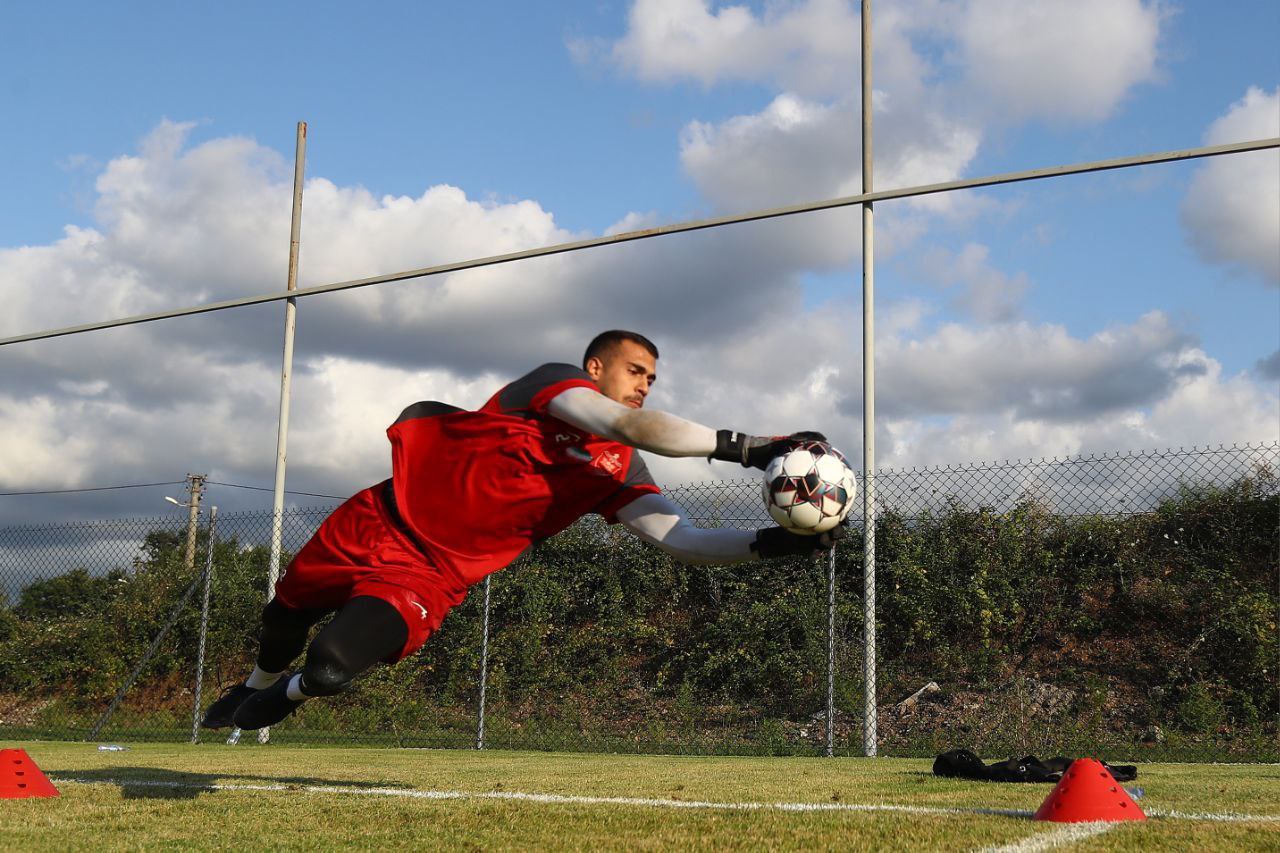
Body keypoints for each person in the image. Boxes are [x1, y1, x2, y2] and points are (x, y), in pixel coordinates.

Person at [204, 330, 842, 731]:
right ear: (594, 369)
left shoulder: (619, 470)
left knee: (330, 668)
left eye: (652, 377)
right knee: (284, 613)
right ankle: (257, 680)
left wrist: (774, 543)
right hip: (378, 518)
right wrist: (753, 447)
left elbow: (684, 541)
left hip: (429, 572)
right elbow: (627, 425)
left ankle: (286, 692)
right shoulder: (549, 386)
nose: (645, 384)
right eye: (635, 370)